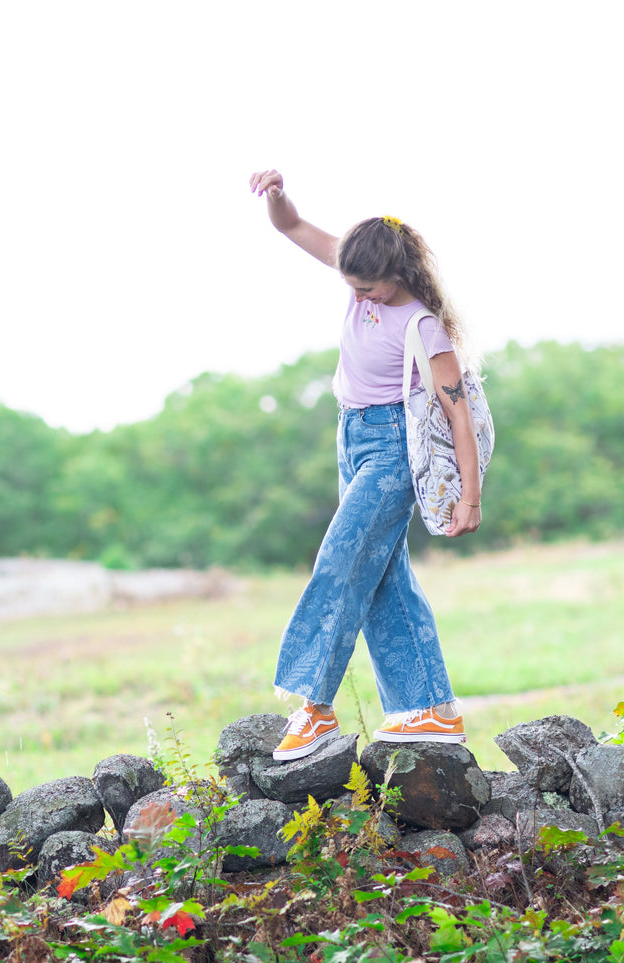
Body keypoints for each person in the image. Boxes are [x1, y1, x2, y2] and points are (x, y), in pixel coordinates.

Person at [248, 169, 482, 762]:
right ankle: (430, 710)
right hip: (348, 436)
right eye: (352, 286)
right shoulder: (358, 265)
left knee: (341, 561)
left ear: (398, 274)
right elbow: (293, 226)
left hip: (392, 447)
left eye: (369, 289)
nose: (358, 296)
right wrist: (276, 195)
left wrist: (470, 497)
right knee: (382, 576)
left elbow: (460, 417)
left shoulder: (423, 325)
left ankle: (314, 706)